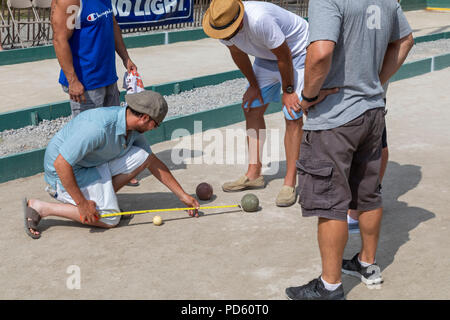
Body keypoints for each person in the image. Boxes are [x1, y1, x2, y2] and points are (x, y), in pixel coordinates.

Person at [285, 0, 414, 300]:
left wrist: (306, 97)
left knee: (330, 203)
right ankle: (367, 264)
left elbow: (321, 53)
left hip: (335, 119)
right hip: (372, 112)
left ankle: (330, 286)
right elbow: (406, 40)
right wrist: (375, 83)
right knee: (368, 193)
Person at [23, 90, 200, 239]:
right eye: (156, 124)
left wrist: (183, 195)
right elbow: (61, 164)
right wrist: (82, 204)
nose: (155, 128)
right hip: (63, 174)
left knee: (143, 156)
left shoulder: (131, 127)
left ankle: (101, 200)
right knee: (110, 219)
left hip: (90, 165)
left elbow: (151, 161)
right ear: (145, 118)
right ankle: (42, 208)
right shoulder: (98, 128)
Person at [202, 0, 310, 207]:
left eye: (229, 32)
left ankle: (290, 182)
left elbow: (284, 54)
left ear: (240, 20)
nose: (225, 37)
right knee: (251, 107)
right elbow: (238, 53)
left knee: (292, 113)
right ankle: (254, 174)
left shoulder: (260, 19)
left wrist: (288, 91)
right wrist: (253, 85)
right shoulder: (221, 24)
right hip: (267, 56)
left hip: (297, 54)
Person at [51, 0, 140, 186]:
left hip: (108, 77)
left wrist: (125, 57)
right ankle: (86, 182)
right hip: (85, 83)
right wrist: (72, 80)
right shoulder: (70, 2)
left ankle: (114, 172)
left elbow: (113, 25)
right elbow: (59, 39)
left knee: (113, 131)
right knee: (88, 137)